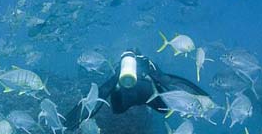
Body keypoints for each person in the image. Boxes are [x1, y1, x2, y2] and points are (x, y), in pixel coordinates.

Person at [66, 49, 210, 128]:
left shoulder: (121, 69)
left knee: (116, 107)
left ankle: (118, 89)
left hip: (126, 98)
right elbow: (169, 80)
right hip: (147, 94)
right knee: (164, 108)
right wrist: (202, 96)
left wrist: (73, 120)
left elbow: (103, 91)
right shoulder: (147, 63)